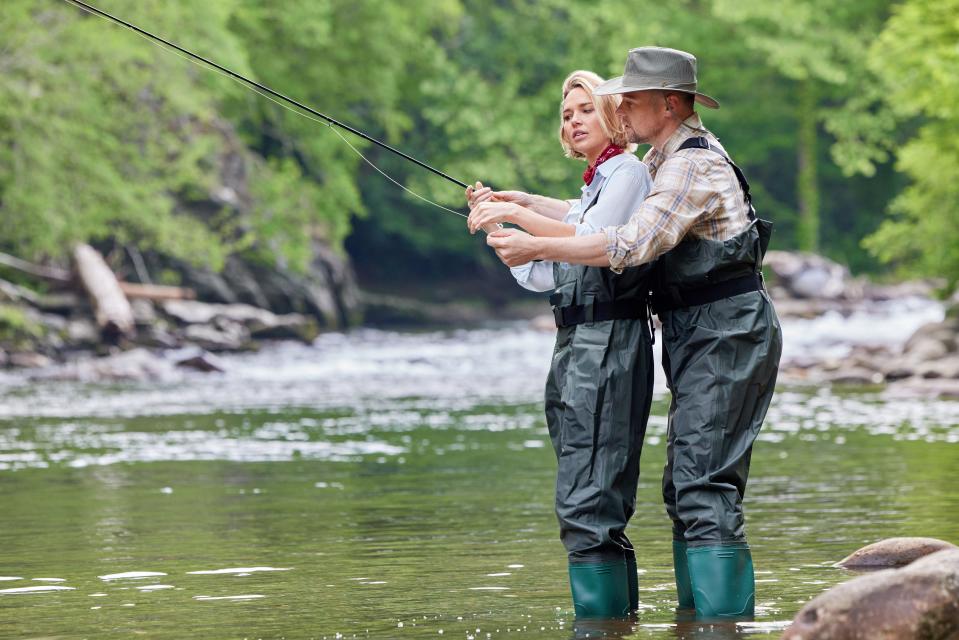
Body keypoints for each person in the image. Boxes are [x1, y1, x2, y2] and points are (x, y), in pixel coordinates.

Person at [484, 47, 783, 620]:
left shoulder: (690, 166)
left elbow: (628, 242)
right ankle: (697, 626)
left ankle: (722, 629)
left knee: (703, 486)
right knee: (685, 487)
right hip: (700, 332)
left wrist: (533, 243)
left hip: (729, 332)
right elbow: (589, 211)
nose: (620, 105)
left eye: (633, 98)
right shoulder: (658, 158)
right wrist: (521, 202)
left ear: (668, 104)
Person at [465, 70, 655, 619]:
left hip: (607, 344)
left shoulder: (625, 174)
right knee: (587, 486)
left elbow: (595, 235)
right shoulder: (598, 182)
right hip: (577, 344)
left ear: (614, 117)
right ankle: (617, 625)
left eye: (584, 110)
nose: (572, 121)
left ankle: (601, 627)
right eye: (566, 114)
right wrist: (513, 234)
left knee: (588, 497)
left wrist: (518, 216)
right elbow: (552, 265)